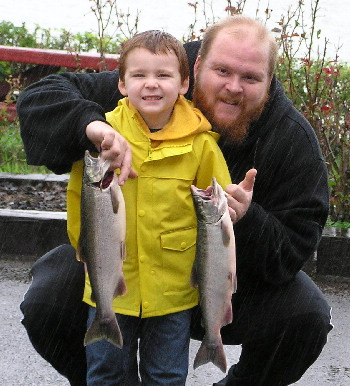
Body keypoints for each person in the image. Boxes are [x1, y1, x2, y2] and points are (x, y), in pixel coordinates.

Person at [18, 15, 332, 386]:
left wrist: (246, 220)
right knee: (46, 299)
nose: (234, 87)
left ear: (269, 79)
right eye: (222, 71)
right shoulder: (153, 81)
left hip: (220, 288)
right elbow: (39, 99)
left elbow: (294, 251)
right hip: (122, 272)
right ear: (194, 68)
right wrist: (91, 125)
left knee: (308, 315)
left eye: (250, 78)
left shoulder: (292, 140)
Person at [68, 29, 233, 385]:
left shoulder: (203, 145)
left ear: (185, 83)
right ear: (122, 84)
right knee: (105, 373)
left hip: (174, 292)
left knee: (167, 376)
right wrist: (88, 254)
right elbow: (79, 205)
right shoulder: (103, 136)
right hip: (110, 285)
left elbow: (219, 211)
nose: (151, 84)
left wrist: (234, 209)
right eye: (139, 75)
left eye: (163, 75)